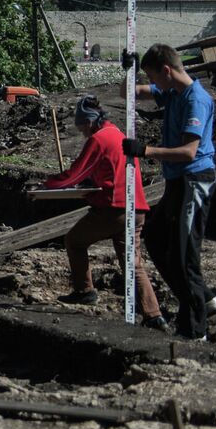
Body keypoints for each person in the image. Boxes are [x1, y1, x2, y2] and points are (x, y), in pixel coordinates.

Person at [41, 96, 166, 330]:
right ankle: (153, 314)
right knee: (132, 264)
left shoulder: (99, 139)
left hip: (114, 208)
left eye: (82, 129)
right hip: (136, 208)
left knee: (74, 241)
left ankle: (84, 290)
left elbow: (76, 173)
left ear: (89, 122)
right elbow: (106, 171)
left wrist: (49, 184)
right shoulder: (118, 134)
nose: (83, 134)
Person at [124, 43, 216, 341]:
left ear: (166, 70)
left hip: (195, 181)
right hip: (177, 182)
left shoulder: (195, 101)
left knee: (183, 255)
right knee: (155, 237)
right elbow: (130, 94)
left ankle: (195, 329)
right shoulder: (174, 92)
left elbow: (190, 152)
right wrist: (128, 70)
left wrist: (146, 151)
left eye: (154, 77)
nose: (153, 84)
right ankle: (205, 298)